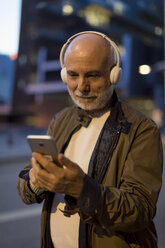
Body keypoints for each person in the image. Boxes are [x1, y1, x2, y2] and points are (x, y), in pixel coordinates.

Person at [17, 31, 163, 248]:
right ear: (65, 76)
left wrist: (82, 189)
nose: (81, 86)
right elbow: (25, 189)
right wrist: (35, 180)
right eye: (73, 75)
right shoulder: (60, 119)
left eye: (93, 75)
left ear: (114, 75)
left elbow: (140, 210)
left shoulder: (142, 129)